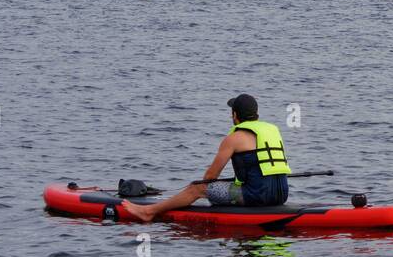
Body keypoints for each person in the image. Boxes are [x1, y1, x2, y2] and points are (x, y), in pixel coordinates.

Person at [124, 94, 291, 222]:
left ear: (235, 115)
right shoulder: (273, 131)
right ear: (256, 114)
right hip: (281, 194)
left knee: (197, 188)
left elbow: (210, 177)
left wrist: (205, 188)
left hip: (256, 196)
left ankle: (148, 212)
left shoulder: (234, 138)